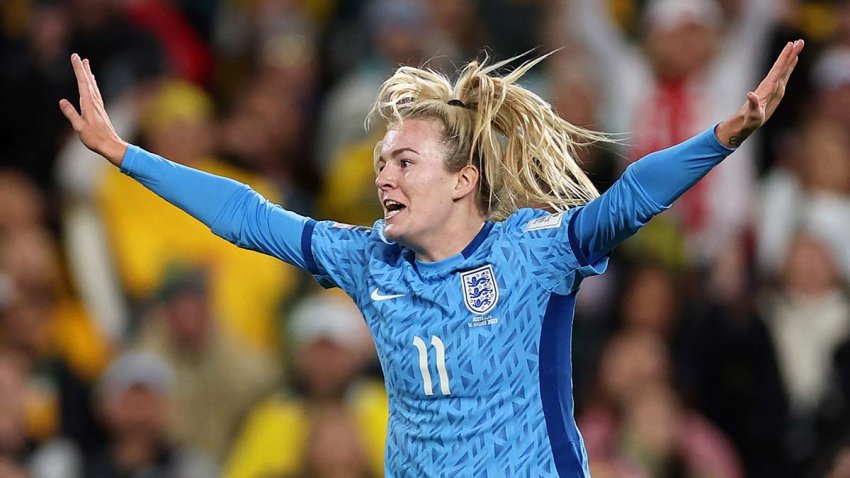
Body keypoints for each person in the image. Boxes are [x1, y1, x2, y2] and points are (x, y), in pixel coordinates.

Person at [59, 39, 804, 476]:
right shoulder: (366, 261)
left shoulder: (533, 252)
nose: (385, 175)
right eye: (382, 161)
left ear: (463, 180)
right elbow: (248, 216)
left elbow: (629, 200)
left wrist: (727, 133)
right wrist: (125, 155)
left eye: (406, 161)